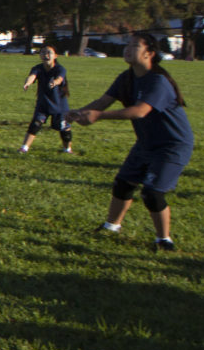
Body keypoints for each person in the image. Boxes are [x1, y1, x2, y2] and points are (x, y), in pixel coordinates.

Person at [68, 33, 193, 251]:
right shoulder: (126, 78)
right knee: (123, 183)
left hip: (172, 145)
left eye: (135, 45)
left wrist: (98, 116)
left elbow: (139, 112)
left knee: (152, 193)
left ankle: (163, 240)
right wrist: (79, 112)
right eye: (127, 44)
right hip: (146, 143)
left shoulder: (158, 81)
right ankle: (111, 226)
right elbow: (103, 101)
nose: (127, 49)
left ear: (150, 54)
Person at [20, 45, 72, 154]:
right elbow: (32, 76)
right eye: (43, 52)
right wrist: (28, 83)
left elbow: (60, 78)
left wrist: (55, 82)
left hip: (59, 105)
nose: (46, 55)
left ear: (55, 56)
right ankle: (24, 148)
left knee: (63, 128)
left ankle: (67, 149)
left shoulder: (60, 69)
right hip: (43, 103)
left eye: (49, 52)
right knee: (35, 124)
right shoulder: (38, 68)